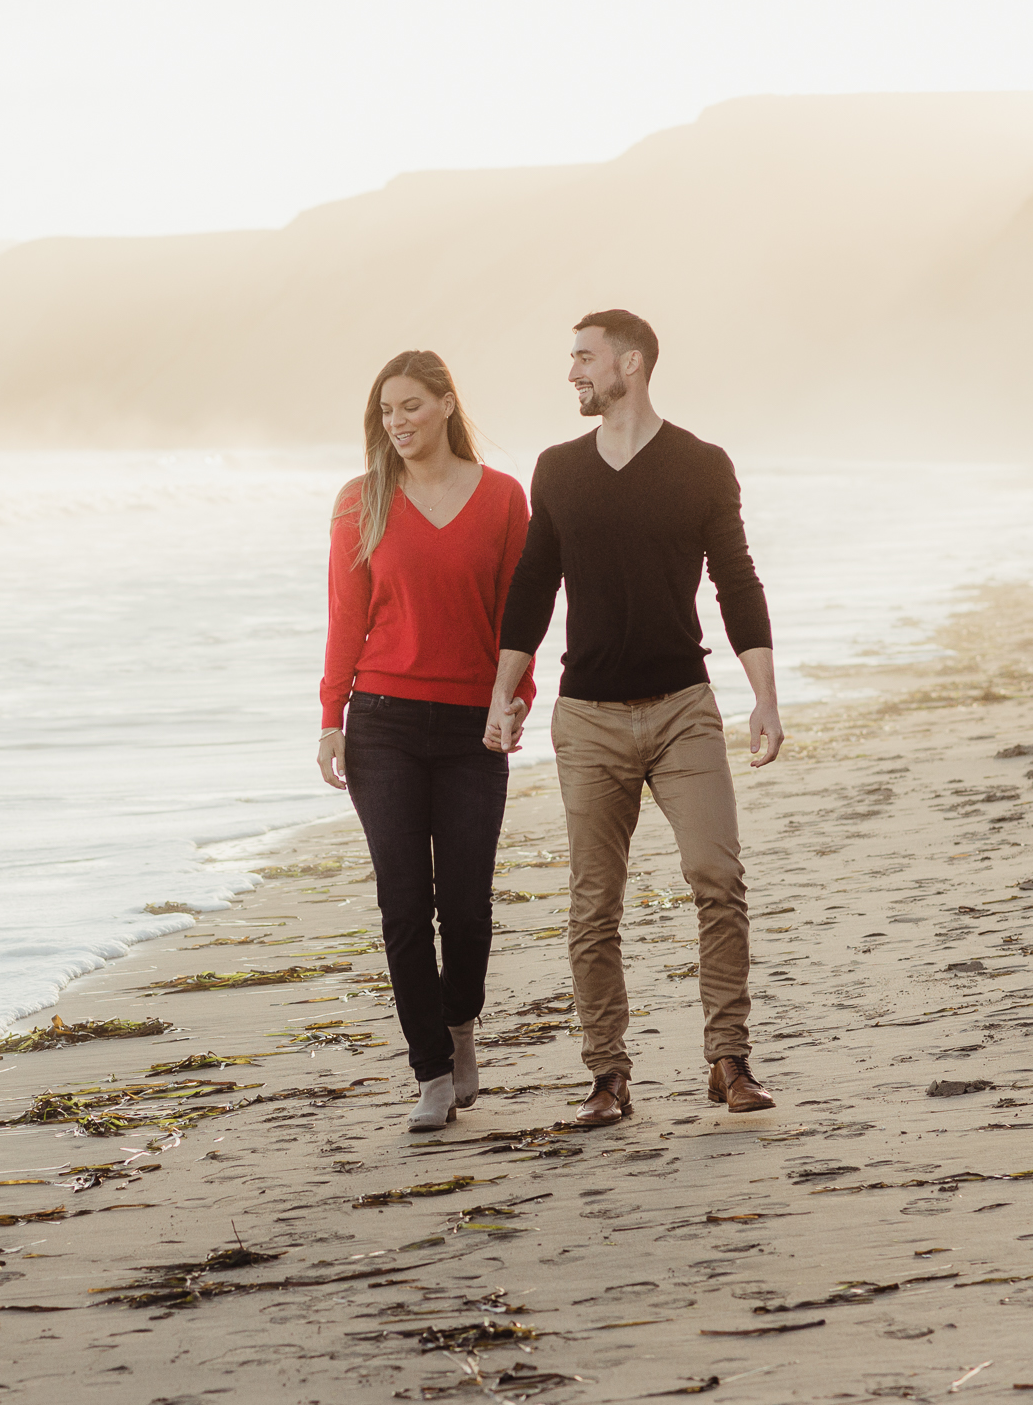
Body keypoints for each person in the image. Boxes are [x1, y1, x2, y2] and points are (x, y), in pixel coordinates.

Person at [483, 309, 785, 1126]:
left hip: (684, 707)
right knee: (594, 902)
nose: (573, 372)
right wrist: (504, 694)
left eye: (584, 357)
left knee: (718, 879)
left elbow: (737, 581)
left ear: (633, 363)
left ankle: (728, 1058)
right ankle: (607, 1076)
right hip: (586, 718)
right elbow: (532, 589)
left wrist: (763, 695)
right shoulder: (558, 470)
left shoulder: (700, 465)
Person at [320, 350, 537, 1133]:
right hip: (381, 722)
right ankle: (431, 1072)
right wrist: (329, 719)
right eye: (385, 411)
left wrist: (514, 699)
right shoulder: (361, 500)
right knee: (405, 906)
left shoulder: (505, 498)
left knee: (468, 904)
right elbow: (347, 618)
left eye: (410, 405)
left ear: (447, 405)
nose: (397, 422)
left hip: (473, 725)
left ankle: (462, 1025)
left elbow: (521, 614)